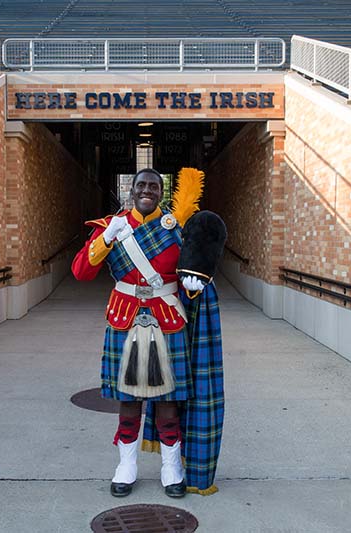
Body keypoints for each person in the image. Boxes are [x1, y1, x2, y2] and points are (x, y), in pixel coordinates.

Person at [71, 168, 207, 498]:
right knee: (128, 401)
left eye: (154, 186)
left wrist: (193, 287)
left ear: (162, 192)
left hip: (167, 317)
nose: (147, 190)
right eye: (141, 185)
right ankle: (126, 467)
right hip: (125, 318)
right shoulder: (112, 227)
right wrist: (105, 239)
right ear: (131, 191)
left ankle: (171, 468)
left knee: (169, 402)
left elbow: (195, 275)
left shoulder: (179, 230)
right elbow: (80, 272)